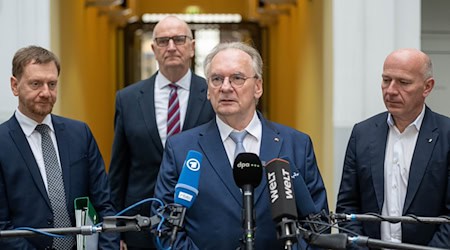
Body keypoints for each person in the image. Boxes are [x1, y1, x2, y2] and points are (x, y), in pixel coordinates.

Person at [153, 42, 329, 249]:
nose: (225, 87)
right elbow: (164, 227)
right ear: (208, 90)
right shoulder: (181, 149)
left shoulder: (296, 145)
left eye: (237, 78)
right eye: (217, 79)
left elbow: (317, 226)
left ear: (258, 87)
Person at [108, 16, 215, 249]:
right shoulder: (127, 99)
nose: (172, 47)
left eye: (179, 39)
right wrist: (116, 230)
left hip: (200, 220)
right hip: (140, 223)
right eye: (164, 41)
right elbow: (119, 169)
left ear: (192, 47)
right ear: (154, 49)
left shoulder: (214, 95)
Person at [0, 45, 119, 249]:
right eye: (36, 84)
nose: (46, 93)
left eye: (52, 84)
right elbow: (2, 226)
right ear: (14, 85)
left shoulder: (80, 134)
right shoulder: (2, 142)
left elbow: (105, 204)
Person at [336, 48, 450, 248]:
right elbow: (348, 207)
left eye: (403, 82)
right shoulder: (362, 134)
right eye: (386, 80)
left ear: (427, 87)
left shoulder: (446, 135)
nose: (390, 90)